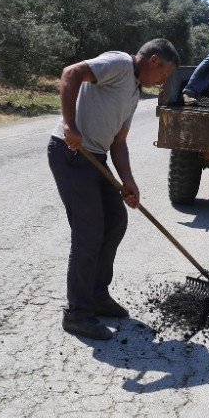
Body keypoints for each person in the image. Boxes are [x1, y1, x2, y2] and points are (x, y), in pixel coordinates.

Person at [48, 38, 180, 341]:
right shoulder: (120, 64)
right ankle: (77, 314)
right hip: (70, 153)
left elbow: (118, 143)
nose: (164, 81)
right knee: (89, 232)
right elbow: (71, 73)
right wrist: (70, 125)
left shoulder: (134, 92)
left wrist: (128, 181)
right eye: (164, 74)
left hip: (97, 157)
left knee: (115, 222)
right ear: (154, 61)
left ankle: (96, 294)